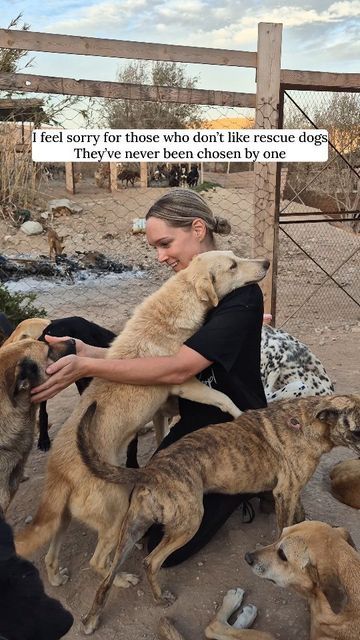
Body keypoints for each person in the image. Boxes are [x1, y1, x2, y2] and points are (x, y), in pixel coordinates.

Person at [31, 188, 267, 565]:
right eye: (155, 247)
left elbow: (177, 369)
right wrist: (87, 352)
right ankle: (112, 429)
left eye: (165, 244)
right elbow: (150, 354)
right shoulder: (186, 285)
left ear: (197, 228)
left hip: (224, 417)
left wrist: (90, 366)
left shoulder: (241, 295)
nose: (160, 257)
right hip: (180, 396)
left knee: (159, 537)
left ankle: (245, 483)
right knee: (73, 330)